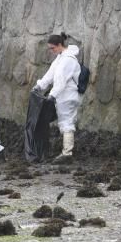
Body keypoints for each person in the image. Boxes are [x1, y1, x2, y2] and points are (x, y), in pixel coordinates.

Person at [32, 33, 81, 161]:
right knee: (64, 122)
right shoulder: (60, 58)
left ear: (60, 45)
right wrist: (39, 86)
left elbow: (60, 80)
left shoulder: (68, 59)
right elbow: (50, 74)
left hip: (68, 95)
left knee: (67, 122)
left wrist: (52, 95)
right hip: (62, 96)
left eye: (52, 48)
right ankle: (66, 151)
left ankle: (67, 153)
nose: (51, 51)